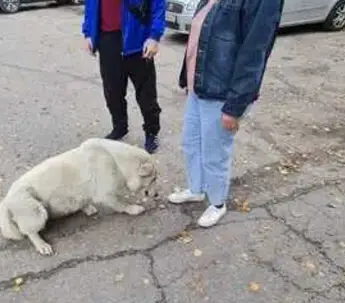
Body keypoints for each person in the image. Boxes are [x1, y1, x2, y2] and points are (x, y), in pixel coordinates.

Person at [168, 0, 283, 227]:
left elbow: (254, 54)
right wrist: (187, 77)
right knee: (191, 143)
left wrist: (234, 106)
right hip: (198, 87)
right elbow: (198, 38)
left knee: (214, 152)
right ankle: (196, 189)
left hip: (221, 93)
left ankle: (217, 203)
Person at [81, 0, 165, 154]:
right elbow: (90, 5)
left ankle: (151, 131)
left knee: (146, 94)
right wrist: (88, 32)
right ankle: (119, 126)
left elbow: (158, 5)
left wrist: (154, 36)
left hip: (137, 39)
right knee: (112, 91)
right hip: (107, 40)